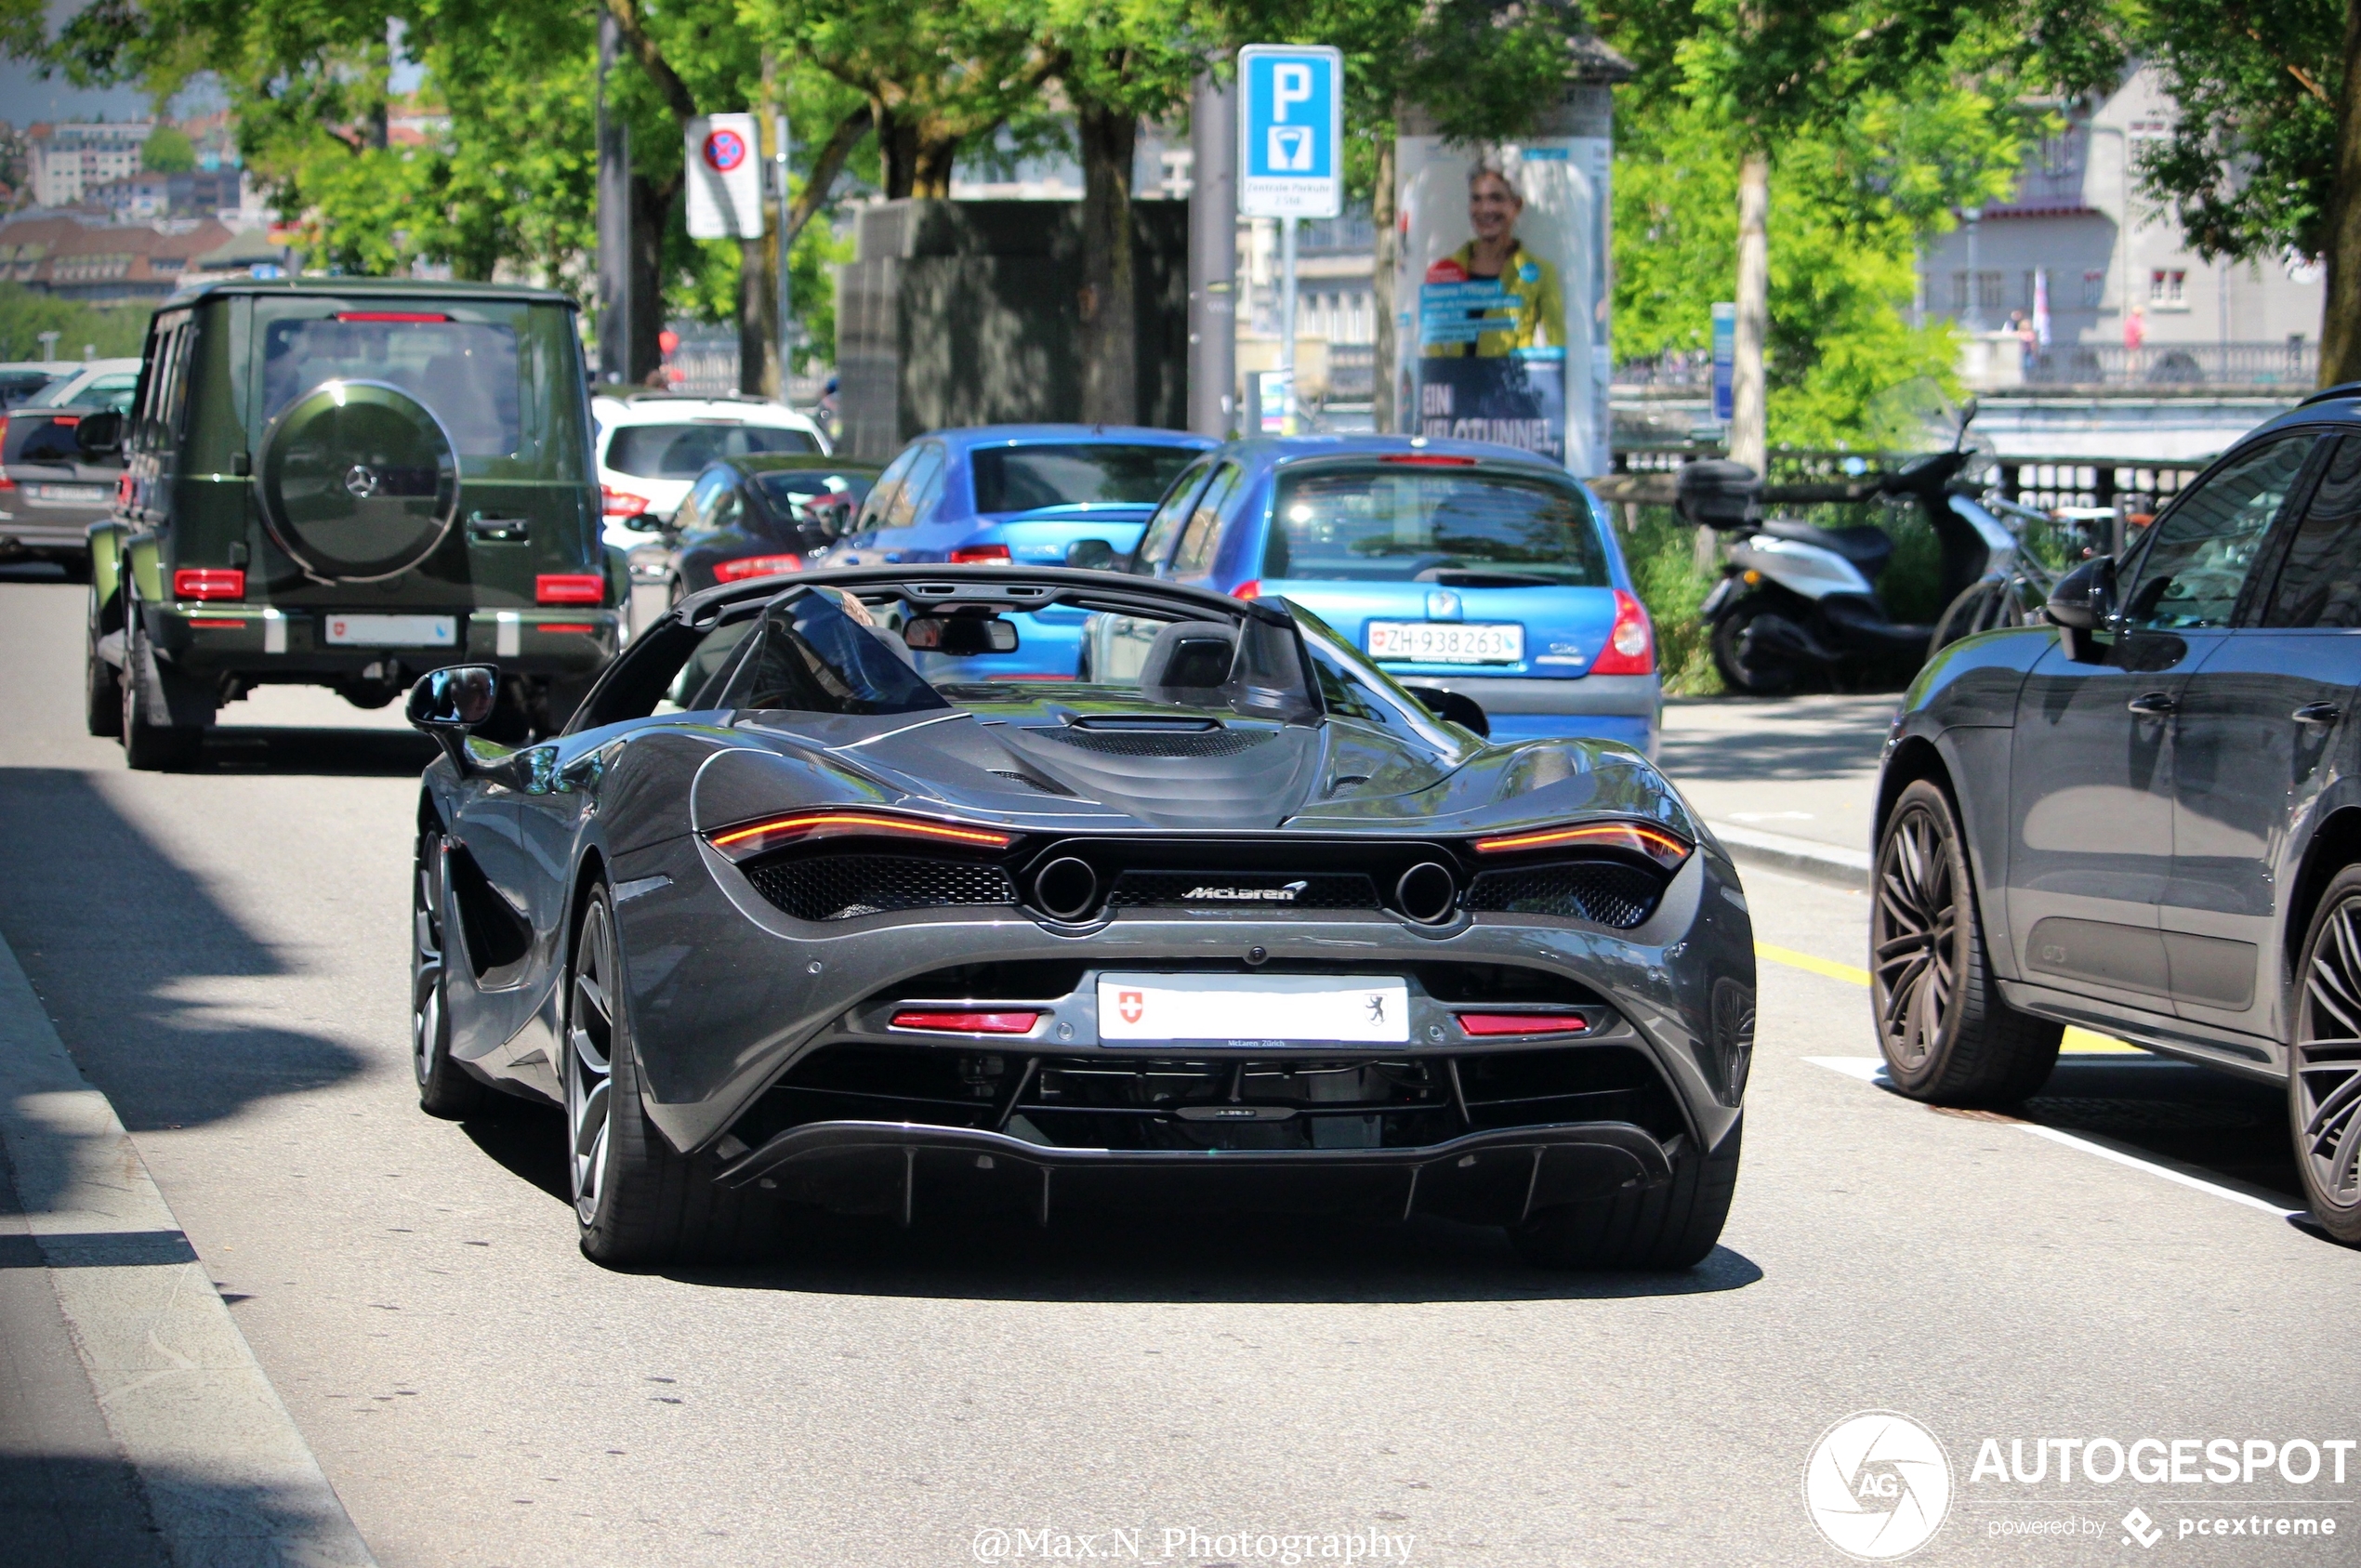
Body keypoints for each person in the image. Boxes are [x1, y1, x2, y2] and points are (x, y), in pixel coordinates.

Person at [1422, 165, 1564, 357]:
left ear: (1517, 205)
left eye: (1496, 198)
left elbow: (1557, 345)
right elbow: (1432, 345)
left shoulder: (1541, 272)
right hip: (1457, 384)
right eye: (1477, 199)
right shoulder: (1445, 271)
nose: (1485, 209)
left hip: (1512, 384)